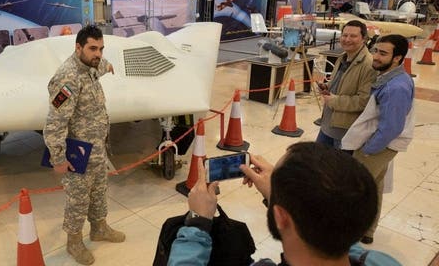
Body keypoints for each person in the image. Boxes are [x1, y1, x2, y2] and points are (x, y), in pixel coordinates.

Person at [168, 142, 401, 265]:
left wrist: (197, 224)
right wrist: (283, 198)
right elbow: (338, 234)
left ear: (280, 217)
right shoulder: (381, 262)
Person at [43, 25, 124, 265]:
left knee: (99, 191)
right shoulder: (67, 78)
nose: (97, 54)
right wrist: (57, 158)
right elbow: (55, 122)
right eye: (92, 48)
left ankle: (99, 228)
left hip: (97, 148)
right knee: (78, 199)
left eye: (100, 48)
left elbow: (99, 65)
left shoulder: (90, 66)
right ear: (78, 47)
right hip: (77, 152)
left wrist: (107, 65)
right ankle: (74, 242)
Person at [341, 34, 415, 244]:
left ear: (397, 58)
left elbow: (391, 127)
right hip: (382, 144)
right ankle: (367, 230)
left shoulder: (396, 87)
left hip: (379, 146)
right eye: (376, 51)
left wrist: (368, 150)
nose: (375, 56)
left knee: (357, 189)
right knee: (374, 186)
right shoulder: (391, 78)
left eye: (383, 53)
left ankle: (349, 230)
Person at [316, 20, 377, 152]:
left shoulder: (368, 65)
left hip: (344, 131)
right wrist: (327, 86)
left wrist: (334, 101)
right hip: (328, 124)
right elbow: (341, 84)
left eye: (353, 36)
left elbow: (363, 101)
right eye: (344, 35)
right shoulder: (343, 57)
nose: (347, 39)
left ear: (364, 39)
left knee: (337, 170)